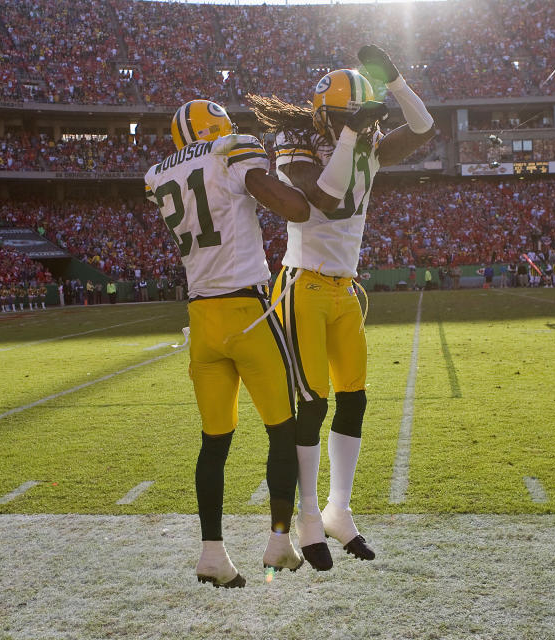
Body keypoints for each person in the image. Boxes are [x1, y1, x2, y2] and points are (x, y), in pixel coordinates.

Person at [248, 44, 435, 570]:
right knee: (312, 404)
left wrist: (394, 81)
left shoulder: (368, 147)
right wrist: (352, 133)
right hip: (301, 286)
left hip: (344, 289)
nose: (357, 125)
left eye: (360, 116)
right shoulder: (296, 146)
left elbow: (422, 128)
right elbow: (324, 200)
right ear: (324, 115)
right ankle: (308, 518)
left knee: (354, 399)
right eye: (345, 117)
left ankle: (338, 510)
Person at [144, 98, 311, 588]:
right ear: (217, 126)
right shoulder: (231, 150)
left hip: (201, 320)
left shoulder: (158, 175)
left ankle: (212, 555)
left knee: (214, 443)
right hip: (247, 311)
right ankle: (280, 542)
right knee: (283, 428)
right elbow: (293, 208)